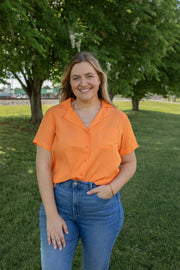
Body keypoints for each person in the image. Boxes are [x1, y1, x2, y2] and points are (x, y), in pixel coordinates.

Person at [33, 51, 138, 270]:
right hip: (59, 203)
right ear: (69, 84)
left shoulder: (119, 119)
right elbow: (42, 165)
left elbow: (130, 162)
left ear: (99, 79)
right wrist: (52, 215)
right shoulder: (54, 115)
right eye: (76, 78)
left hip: (101, 208)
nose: (83, 83)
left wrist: (111, 188)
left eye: (89, 76)